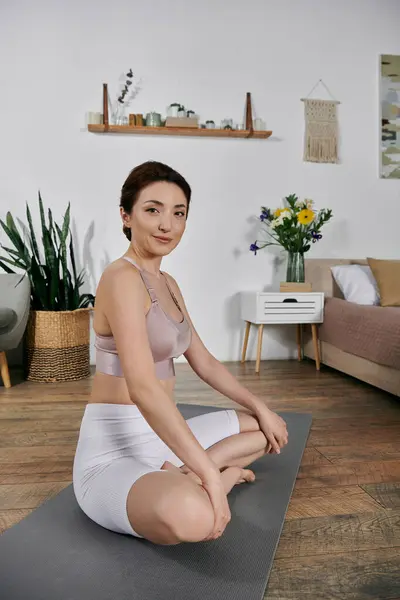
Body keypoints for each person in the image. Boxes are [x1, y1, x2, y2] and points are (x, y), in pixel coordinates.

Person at [72, 160, 288, 545]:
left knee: (268, 429)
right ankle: (219, 477)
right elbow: (142, 387)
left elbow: (202, 361)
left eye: (178, 213)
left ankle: (189, 475)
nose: (166, 225)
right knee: (196, 519)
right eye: (152, 210)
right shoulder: (121, 279)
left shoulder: (167, 282)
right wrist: (212, 474)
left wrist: (261, 407)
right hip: (115, 450)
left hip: (164, 436)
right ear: (126, 216)